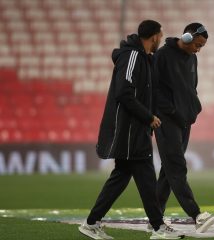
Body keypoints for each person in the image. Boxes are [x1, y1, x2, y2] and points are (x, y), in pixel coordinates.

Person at [78, 20, 184, 240]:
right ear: (154, 36)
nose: (161, 39)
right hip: (129, 131)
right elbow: (124, 93)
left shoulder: (145, 59)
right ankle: (158, 227)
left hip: (135, 130)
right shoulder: (132, 57)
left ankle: (91, 223)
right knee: (145, 177)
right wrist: (149, 117)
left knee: (121, 177)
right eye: (161, 36)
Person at [152, 22, 214, 234]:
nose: (198, 49)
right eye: (197, 44)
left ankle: (155, 219)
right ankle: (196, 215)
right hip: (166, 120)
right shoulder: (162, 56)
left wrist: (192, 110)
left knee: (168, 172)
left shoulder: (192, 58)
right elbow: (154, 89)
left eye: (201, 47)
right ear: (187, 37)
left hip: (183, 121)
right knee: (177, 167)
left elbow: (192, 88)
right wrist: (170, 111)